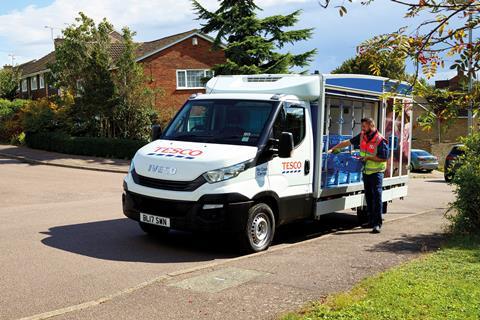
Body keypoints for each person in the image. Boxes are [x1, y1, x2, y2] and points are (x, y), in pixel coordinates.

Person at [328, 118, 388, 234]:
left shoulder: (380, 140)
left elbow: (384, 157)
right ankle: (371, 221)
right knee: (369, 197)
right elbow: (348, 142)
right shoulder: (362, 136)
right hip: (366, 171)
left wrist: (369, 158)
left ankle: (377, 224)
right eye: (362, 126)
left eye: (364, 126)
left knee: (377, 197)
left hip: (377, 173)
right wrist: (334, 148)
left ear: (371, 125)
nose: (362, 128)